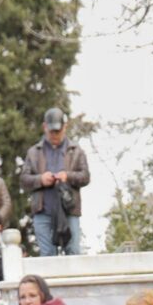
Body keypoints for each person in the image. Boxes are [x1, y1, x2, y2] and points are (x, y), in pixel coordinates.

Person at [22, 109, 90, 257]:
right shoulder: (34, 152)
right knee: (47, 255)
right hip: (43, 211)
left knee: (73, 253)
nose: (55, 135)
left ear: (65, 127)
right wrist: (40, 179)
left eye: (58, 131)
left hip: (69, 210)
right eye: (52, 131)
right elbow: (24, 180)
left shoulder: (76, 150)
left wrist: (68, 176)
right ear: (45, 127)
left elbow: (85, 177)